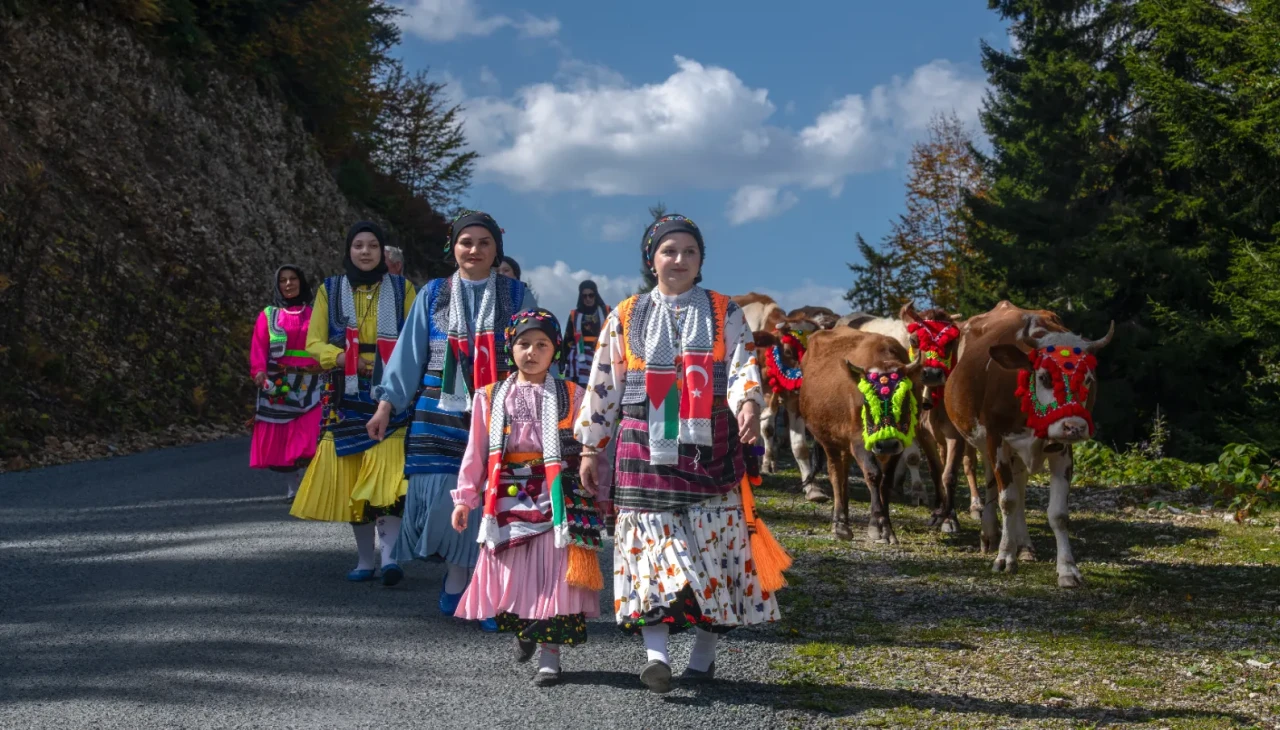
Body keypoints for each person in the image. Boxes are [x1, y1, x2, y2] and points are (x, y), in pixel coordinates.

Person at [575, 214, 783, 693]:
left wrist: (748, 403)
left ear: (701, 261)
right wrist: (590, 446)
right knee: (648, 551)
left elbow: (741, 365)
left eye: (690, 252)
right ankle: (656, 656)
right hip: (642, 448)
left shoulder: (723, 310)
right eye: (670, 251)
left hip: (709, 449)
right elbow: (603, 381)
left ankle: (705, 655)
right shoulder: (624, 314)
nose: (679, 260)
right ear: (652, 260)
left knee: (715, 553)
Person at [367, 210, 532, 630]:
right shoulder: (434, 294)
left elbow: (535, 350)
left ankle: (487, 590)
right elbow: (409, 352)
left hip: (500, 412)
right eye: (466, 242)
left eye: (484, 242)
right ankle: (458, 575)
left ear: (497, 250)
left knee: (493, 497)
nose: (474, 249)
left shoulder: (517, 295)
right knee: (447, 498)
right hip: (438, 414)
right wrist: (387, 403)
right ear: (453, 247)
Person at [450, 309, 605, 687]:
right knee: (516, 573)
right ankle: (525, 628)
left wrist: (602, 492)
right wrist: (464, 498)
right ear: (510, 349)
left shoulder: (575, 394)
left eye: (542, 345)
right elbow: (476, 451)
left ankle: (550, 657)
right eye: (523, 344)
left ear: (556, 350)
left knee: (554, 575)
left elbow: (595, 447)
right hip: (505, 497)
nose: (531, 352)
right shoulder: (489, 397)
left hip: (558, 497)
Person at [290, 222, 417, 587]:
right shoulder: (329, 290)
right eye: (358, 245)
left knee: (389, 478)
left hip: (391, 390)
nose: (365, 252)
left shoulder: (403, 288)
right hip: (344, 394)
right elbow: (314, 342)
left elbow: (413, 338)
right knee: (351, 477)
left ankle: (390, 557)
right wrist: (344, 358)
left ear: (381, 252)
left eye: (372, 246)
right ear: (349, 250)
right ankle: (365, 560)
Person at [249, 265, 324, 499]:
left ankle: (312, 483)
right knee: (284, 433)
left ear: (301, 282)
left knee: (310, 431)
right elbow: (259, 346)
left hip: (311, 382)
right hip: (279, 383)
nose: (288, 284)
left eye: (293, 279)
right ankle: (293, 487)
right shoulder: (269, 315)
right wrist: (259, 371)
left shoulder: (315, 314)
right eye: (283, 280)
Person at [562, 280, 608, 386]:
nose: (588, 299)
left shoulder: (607, 312)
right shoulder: (575, 315)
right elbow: (568, 338)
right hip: (579, 359)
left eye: (591, 295)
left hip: (602, 355)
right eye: (584, 296)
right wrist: (564, 358)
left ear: (595, 295)